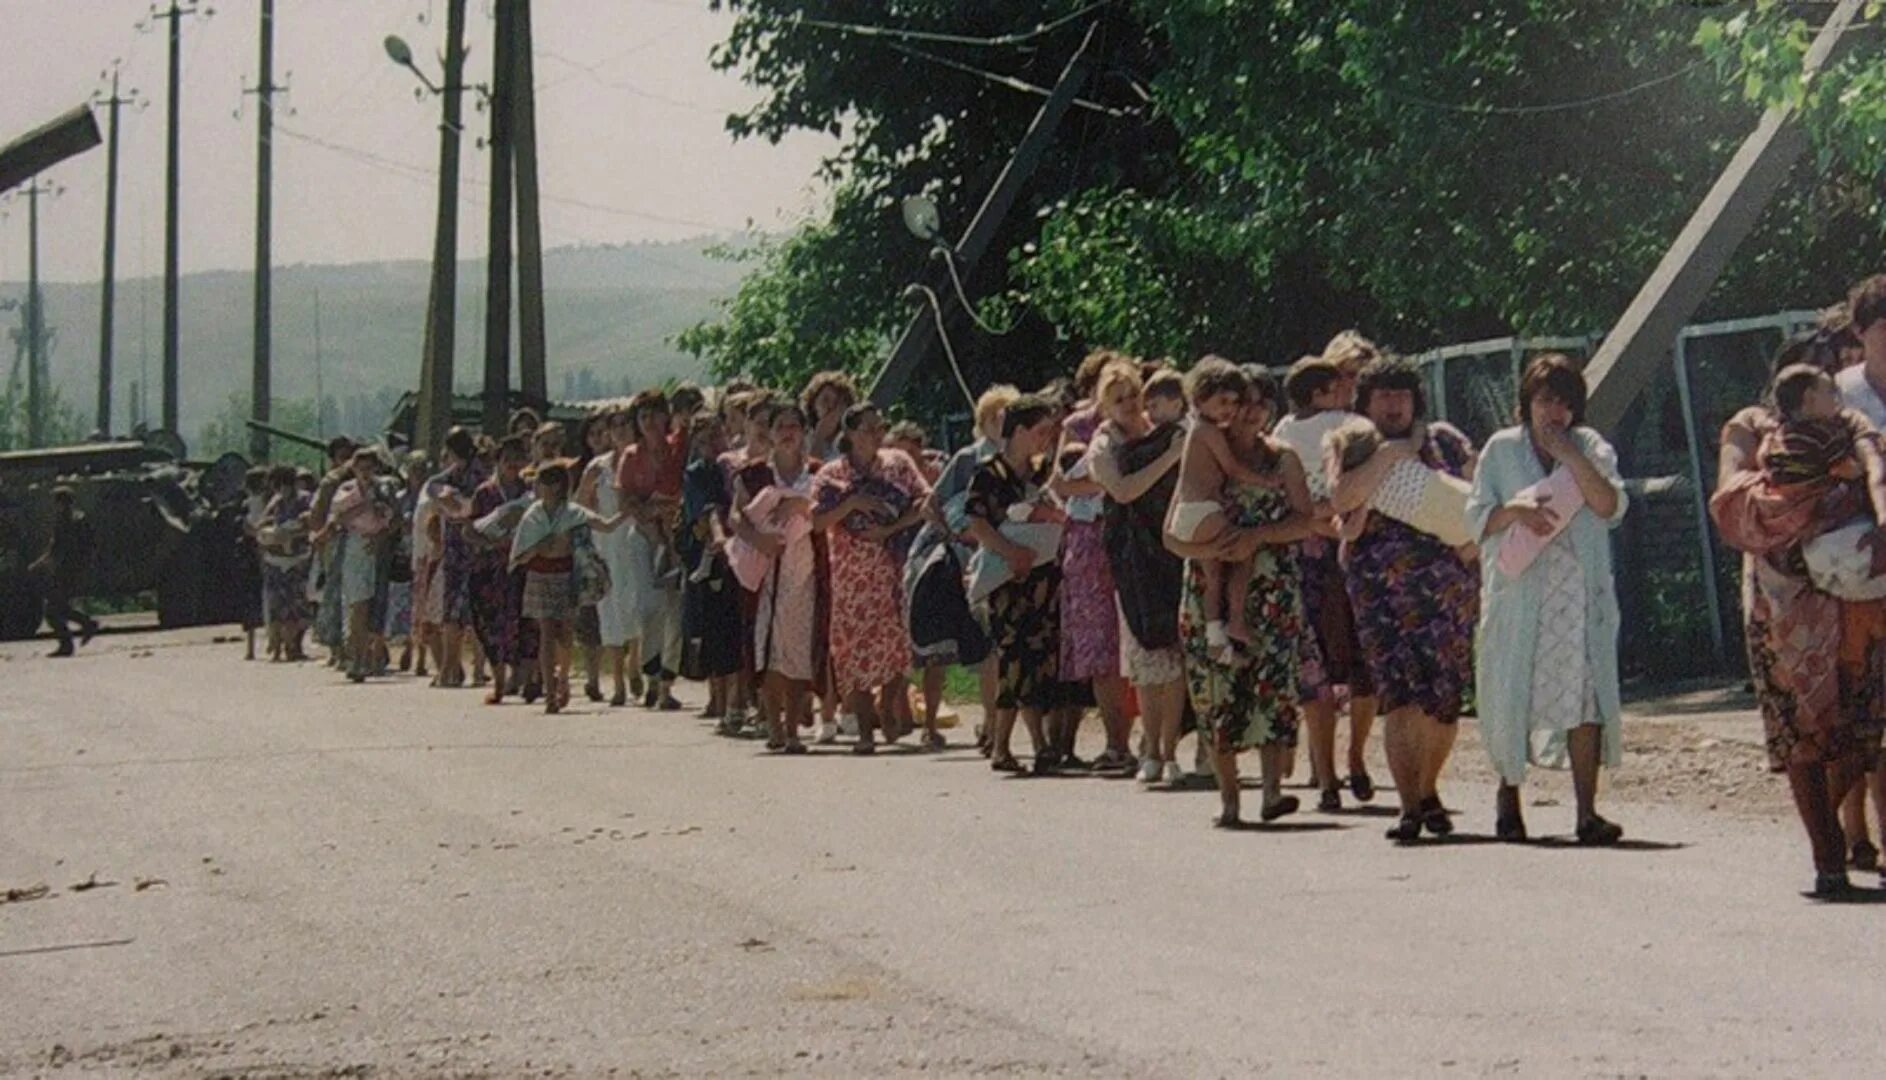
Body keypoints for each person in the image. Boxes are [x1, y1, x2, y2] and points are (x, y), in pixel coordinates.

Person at [1718, 328, 1886, 896]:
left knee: (1861, 728)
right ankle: (1826, 855)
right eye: (1814, 370)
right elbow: (1733, 500)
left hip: (1852, 599)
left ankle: (1835, 836)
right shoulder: (1750, 428)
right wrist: (1802, 500)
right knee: (1801, 732)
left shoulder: (1848, 429)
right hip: (1782, 604)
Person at [1467, 354, 1629, 844]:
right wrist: (1513, 510)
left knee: (1585, 698)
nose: (1553, 411)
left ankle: (1586, 812)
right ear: (1528, 403)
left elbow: (1609, 506)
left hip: (1578, 595)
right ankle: (1508, 796)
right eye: (1545, 400)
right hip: (1521, 595)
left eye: (1563, 401)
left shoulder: (1591, 447)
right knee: (1513, 691)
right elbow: (1476, 519)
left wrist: (1573, 459)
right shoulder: (1501, 450)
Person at [1329, 356, 1479, 843]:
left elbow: (1479, 499)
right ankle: (1409, 806)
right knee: (1399, 696)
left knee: (1444, 697)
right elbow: (1342, 497)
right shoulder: (1353, 445)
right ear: (1366, 403)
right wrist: (1395, 453)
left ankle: (1429, 788)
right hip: (1380, 591)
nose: (1394, 404)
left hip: (1446, 587)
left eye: (1402, 395)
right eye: (1383, 396)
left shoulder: (1446, 441)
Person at [1165, 370, 1313, 823]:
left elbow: (1305, 520)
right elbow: (1171, 535)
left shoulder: (1282, 458)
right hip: (1208, 583)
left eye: (1259, 404)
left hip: (1271, 590)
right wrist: (1211, 549)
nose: (1249, 413)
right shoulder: (1205, 450)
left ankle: (1271, 792)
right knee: (1216, 692)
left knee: (1272, 686)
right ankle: (1229, 798)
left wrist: (1260, 536)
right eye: (1240, 403)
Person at [1274, 352, 1380, 811]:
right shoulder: (1353, 424)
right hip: (1353, 546)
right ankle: (1356, 757)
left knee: (1313, 664)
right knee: (1362, 660)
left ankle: (1327, 777)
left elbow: (1281, 491)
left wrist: (1313, 520)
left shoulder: (1280, 433)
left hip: (1305, 549)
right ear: (1323, 392)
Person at [1090, 361, 1187, 782]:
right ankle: (1150, 746)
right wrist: (1169, 459)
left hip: (1172, 549)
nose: (1130, 405)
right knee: (1147, 656)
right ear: (1105, 405)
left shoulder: (1164, 430)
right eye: (1120, 399)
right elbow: (1124, 490)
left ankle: (1170, 748)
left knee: (1179, 653)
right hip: (1133, 558)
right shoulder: (1103, 444)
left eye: (1134, 395)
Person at [813, 403, 930, 753]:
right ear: (849, 434)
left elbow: (924, 500)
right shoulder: (832, 473)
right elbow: (817, 522)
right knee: (852, 653)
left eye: (880, 428)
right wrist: (852, 503)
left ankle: (890, 703)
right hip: (850, 577)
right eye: (868, 429)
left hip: (892, 569)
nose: (877, 435)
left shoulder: (898, 463)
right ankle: (865, 731)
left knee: (897, 646)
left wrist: (892, 527)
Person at [904, 386, 1011, 753]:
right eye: (997, 415)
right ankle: (930, 724)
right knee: (939, 646)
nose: (1004, 421)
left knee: (989, 646)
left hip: (998, 557)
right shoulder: (967, 459)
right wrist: (955, 534)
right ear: (983, 422)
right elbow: (930, 505)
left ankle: (992, 723)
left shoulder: (1023, 460)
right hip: (955, 559)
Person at [963, 394, 1066, 774]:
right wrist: (1010, 552)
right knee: (1013, 656)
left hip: (1041, 575)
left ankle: (1023, 745)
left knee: (1037, 658)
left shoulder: (1038, 476)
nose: (1045, 439)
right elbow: (977, 521)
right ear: (1019, 430)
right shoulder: (989, 473)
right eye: (1040, 431)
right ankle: (1012, 744)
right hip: (1008, 578)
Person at [1051, 350, 1133, 771]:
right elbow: (1061, 485)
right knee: (1100, 644)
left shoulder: (1143, 425)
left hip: (1133, 539)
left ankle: (1148, 739)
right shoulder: (1077, 426)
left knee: (1135, 639)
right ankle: (1116, 741)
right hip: (1089, 543)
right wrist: (1105, 478)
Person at [1165, 358, 1275, 663]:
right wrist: (1267, 480)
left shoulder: (1196, 429)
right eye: (1222, 401)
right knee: (1244, 550)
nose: (1229, 408)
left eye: (1234, 402)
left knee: (1214, 577)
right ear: (1200, 399)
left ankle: (1216, 640)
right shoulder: (1206, 430)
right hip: (1202, 510)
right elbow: (1232, 468)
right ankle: (1237, 619)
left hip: (1188, 515)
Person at [731, 403, 827, 753]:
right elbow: (736, 518)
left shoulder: (818, 473)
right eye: (781, 426)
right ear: (769, 433)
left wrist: (802, 507)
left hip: (805, 569)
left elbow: (828, 515)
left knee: (800, 646)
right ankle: (773, 725)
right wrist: (760, 540)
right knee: (768, 647)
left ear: (804, 432)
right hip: (766, 569)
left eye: (794, 426)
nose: (788, 432)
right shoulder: (754, 475)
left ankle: (793, 729)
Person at [509, 461, 631, 714]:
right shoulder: (533, 515)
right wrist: (540, 547)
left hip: (566, 576)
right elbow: (520, 554)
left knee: (564, 634)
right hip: (539, 576)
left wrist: (628, 512)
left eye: (549, 483)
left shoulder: (574, 513)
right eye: (542, 483)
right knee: (545, 632)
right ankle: (550, 693)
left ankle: (563, 678)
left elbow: (606, 525)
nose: (544, 488)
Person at [615, 389, 687, 710]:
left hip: (676, 534)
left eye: (654, 414)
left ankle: (667, 682)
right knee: (648, 606)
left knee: (675, 608)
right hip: (644, 535)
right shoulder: (632, 456)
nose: (649, 422)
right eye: (642, 416)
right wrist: (649, 516)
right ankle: (650, 672)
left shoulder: (678, 449)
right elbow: (625, 500)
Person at [678, 413, 745, 732]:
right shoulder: (695, 473)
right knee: (711, 625)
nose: (712, 445)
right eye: (704, 440)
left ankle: (735, 696)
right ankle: (717, 695)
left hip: (741, 549)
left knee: (734, 625)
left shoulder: (733, 466)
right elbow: (702, 514)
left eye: (717, 436)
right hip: (710, 553)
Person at [318, 448, 397, 682]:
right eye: (360, 468)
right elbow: (338, 517)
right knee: (356, 604)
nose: (365, 473)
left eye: (370, 468)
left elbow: (395, 519)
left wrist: (381, 537)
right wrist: (364, 504)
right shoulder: (346, 490)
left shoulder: (384, 489)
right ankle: (355, 658)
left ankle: (368, 656)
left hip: (377, 546)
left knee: (373, 605)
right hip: (353, 544)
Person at [468, 436, 535, 705]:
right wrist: (492, 541)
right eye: (507, 459)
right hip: (491, 569)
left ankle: (527, 679)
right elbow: (470, 530)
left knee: (527, 624)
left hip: (523, 566)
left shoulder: (530, 492)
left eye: (518, 459)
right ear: (497, 461)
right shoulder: (484, 493)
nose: (512, 465)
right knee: (491, 624)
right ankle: (498, 682)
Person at [430, 427, 485, 689]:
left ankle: (460, 668)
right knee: (453, 609)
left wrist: (459, 505)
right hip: (455, 545)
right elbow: (433, 486)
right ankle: (450, 667)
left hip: (472, 544)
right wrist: (445, 499)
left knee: (467, 609)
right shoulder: (452, 474)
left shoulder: (478, 473)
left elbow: (478, 504)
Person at [32, 487, 99, 657]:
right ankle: (86, 625)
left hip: (67, 569)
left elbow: (57, 546)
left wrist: (42, 563)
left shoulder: (67, 520)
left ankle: (68, 643)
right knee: (59, 608)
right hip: (74, 568)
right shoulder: (79, 517)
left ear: (61, 503)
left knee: (53, 611)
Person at [257, 465, 314, 662]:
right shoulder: (276, 502)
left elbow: (312, 524)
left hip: (297, 559)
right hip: (275, 560)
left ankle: (295, 645)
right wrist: (273, 531)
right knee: (277, 605)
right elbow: (262, 523)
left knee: (297, 605)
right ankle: (278, 645)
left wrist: (293, 532)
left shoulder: (305, 499)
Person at [802, 370, 859, 462]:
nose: (831, 406)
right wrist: (819, 437)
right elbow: (810, 472)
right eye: (825, 400)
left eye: (837, 402)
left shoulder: (855, 438)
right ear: (813, 404)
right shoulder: (802, 439)